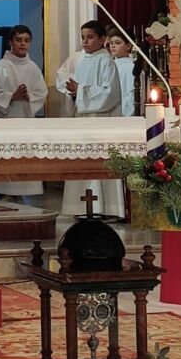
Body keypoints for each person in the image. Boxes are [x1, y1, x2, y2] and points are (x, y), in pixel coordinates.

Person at [55, 20, 124, 217]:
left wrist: (81, 91)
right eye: (83, 37)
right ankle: (79, 207)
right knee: (82, 160)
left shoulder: (106, 61)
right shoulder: (82, 60)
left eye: (90, 37)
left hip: (101, 123)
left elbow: (110, 94)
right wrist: (73, 92)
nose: (85, 42)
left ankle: (107, 208)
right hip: (83, 121)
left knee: (100, 161)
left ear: (102, 39)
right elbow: (69, 84)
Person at [0, 25, 48, 200]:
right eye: (18, 40)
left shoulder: (33, 68)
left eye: (26, 40)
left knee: (23, 157)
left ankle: (20, 193)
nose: (22, 44)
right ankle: (3, 191)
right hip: (4, 121)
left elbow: (42, 92)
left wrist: (29, 96)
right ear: (10, 42)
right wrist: (12, 96)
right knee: (4, 157)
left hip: (25, 120)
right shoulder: (1, 66)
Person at [107, 29, 137, 118]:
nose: (113, 46)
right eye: (111, 43)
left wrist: (124, 114)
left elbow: (132, 95)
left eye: (117, 43)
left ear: (128, 46)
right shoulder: (109, 65)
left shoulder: (131, 67)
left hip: (123, 116)